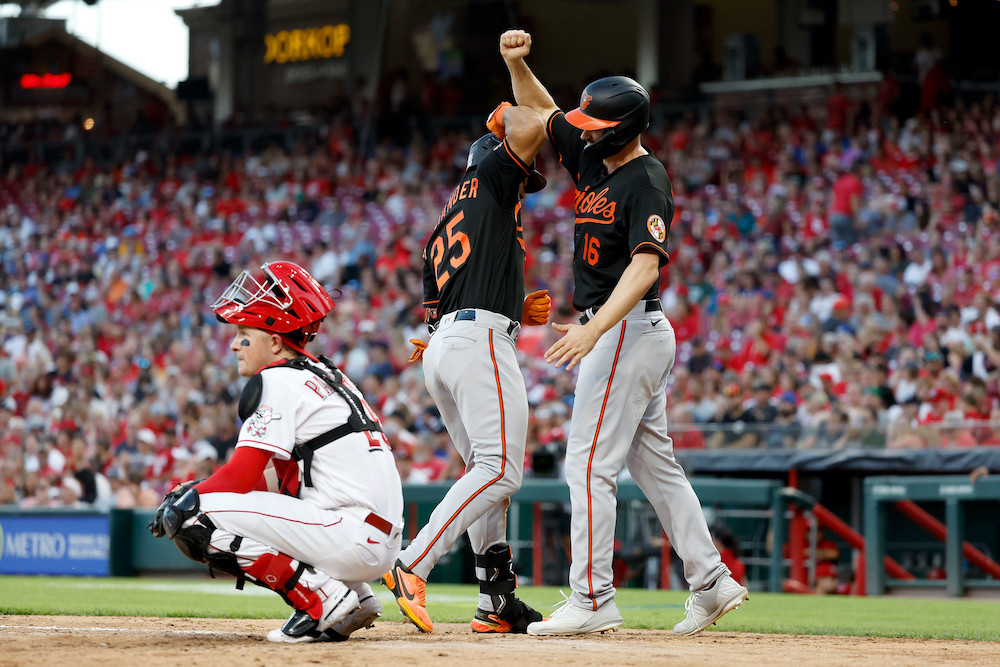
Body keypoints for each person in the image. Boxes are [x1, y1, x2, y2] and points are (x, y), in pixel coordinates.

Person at [500, 29, 748, 636]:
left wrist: (594, 332)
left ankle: (591, 598)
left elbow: (644, 265)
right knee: (656, 467)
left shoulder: (647, 179)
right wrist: (517, 63)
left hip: (627, 330)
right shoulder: (595, 154)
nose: (582, 129)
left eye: (595, 123)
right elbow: (542, 111)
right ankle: (712, 582)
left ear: (621, 128)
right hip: (624, 332)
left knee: (587, 464)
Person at [148, 261, 403, 644]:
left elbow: (240, 477)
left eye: (243, 333)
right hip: (374, 539)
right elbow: (276, 483)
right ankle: (354, 600)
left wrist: (191, 497)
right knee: (209, 502)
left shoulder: (278, 379)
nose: (234, 343)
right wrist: (205, 488)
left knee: (192, 516)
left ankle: (321, 598)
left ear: (274, 341)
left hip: (349, 532)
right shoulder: (325, 375)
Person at [381, 100, 550, 634]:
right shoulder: (493, 175)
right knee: (500, 470)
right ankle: (414, 562)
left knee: (485, 469)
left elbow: (444, 303)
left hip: (445, 346)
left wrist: (513, 304)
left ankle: (496, 600)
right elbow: (537, 121)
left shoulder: (443, 225)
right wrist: (514, 90)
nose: (527, 184)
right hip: (478, 341)